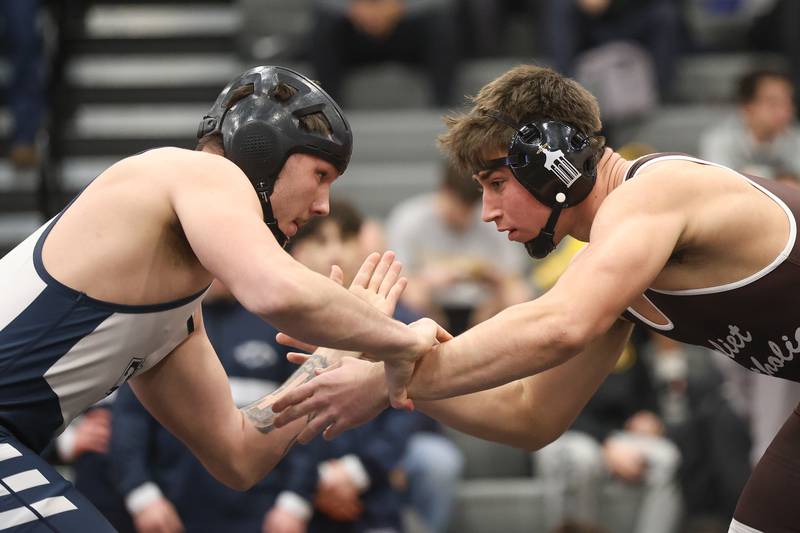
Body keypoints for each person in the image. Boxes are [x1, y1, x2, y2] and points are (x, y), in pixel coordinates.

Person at [272, 64, 800, 533]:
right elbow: (530, 416)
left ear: (553, 160)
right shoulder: (618, 268)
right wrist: (391, 374)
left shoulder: (657, 191)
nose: (488, 211)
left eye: (497, 181)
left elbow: (558, 324)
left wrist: (395, 368)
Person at [0, 64, 440, 530]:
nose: (323, 205)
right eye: (321, 174)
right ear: (262, 151)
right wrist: (400, 339)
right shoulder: (199, 171)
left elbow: (238, 457)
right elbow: (277, 290)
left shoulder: (174, 321)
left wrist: (333, 354)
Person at [385, 161, 531, 335]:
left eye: (470, 208)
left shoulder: (492, 222)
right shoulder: (409, 219)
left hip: (481, 309)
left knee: (518, 294)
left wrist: (492, 283)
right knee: (412, 294)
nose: (464, 216)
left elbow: (513, 280)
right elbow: (403, 283)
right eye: (459, 205)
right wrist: (432, 281)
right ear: (445, 191)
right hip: (432, 309)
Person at [700, 68, 800, 185]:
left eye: (787, 103)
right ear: (747, 106)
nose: (784, 111)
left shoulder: (795, 137)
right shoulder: (719, 140)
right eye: (773, 103)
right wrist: (780, 181)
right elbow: (719, 185)